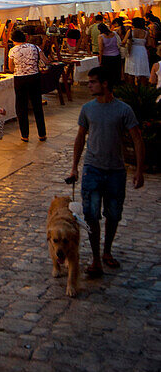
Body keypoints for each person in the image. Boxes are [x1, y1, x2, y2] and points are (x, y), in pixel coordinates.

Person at [67, 65, 145, 278]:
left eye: (93, 82)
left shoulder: (123, 110)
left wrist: (139, 170)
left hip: (115, 171)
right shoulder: (87, 109)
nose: (89, 85)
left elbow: (137, 138)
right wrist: (74, 167)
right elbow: (80, 138)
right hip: (92, 169)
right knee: (91, 216)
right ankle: (95, 258)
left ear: (105, 84)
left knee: (113, 214)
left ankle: (107, 250)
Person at [8, 28, 49, 143]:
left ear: (13, 40)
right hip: (34, 77)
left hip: (20, 79)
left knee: (21, 107)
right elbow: (45, 61)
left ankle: (24, 135)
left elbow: (11, 68)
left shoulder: (12, 51)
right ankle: (42, 134)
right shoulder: (35, 47)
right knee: (37, 106)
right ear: (24, 37)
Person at [123, 17, 150, 84]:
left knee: (131, 70)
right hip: (142, 51)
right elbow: (149, 44)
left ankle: (132, 88)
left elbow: (123, 41)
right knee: (142, 69)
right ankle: (142, 88)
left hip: (132, 50)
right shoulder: (146, 33)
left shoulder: (130, 31)